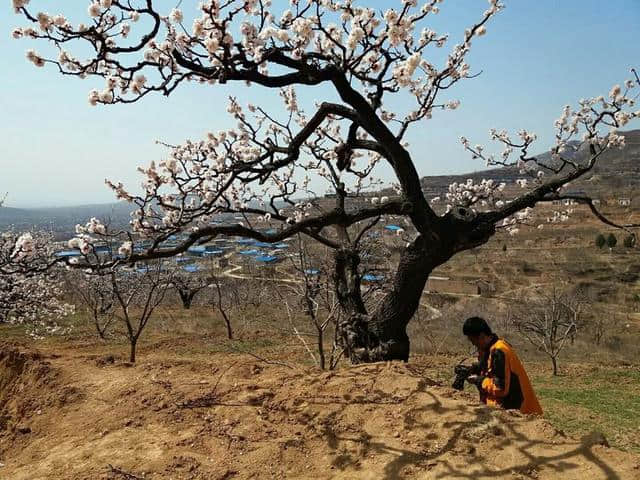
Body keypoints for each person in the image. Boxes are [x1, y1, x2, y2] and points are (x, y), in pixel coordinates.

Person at [462, 316, 543, 415]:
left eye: (473, 340)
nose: (473, 344)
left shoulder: (499, 351)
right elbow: (489, 369)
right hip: (506, 411)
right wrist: (473, 369)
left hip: (520, 414)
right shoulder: (490, 348)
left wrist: (479, 380)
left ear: (482, 335)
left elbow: (500, 388)